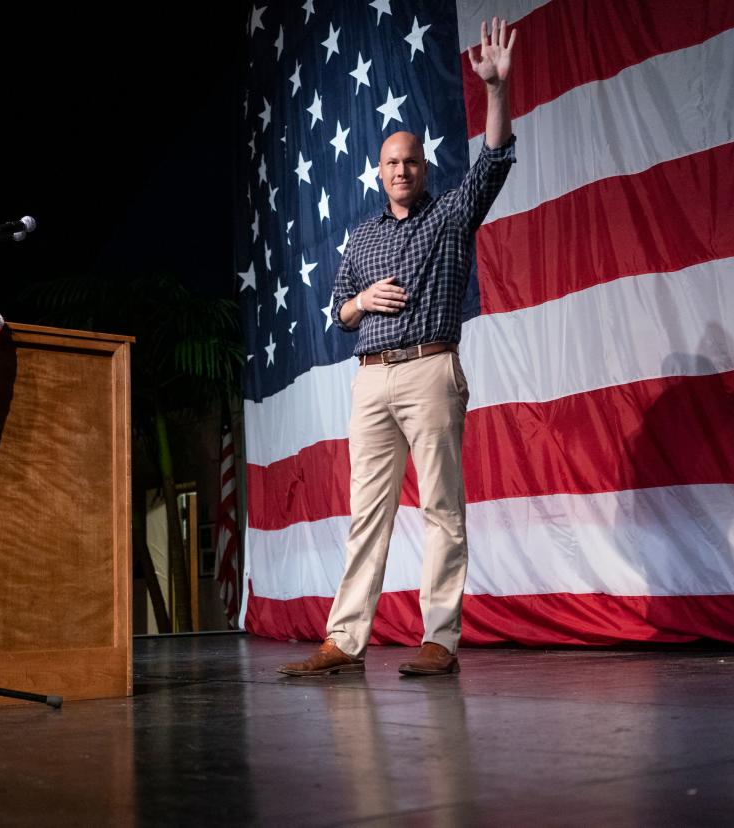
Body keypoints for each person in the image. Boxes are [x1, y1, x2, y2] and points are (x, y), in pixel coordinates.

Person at [280, 18, 518, 677]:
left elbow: (494, 161)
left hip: (431, 370)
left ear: (422, 167)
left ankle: (439, 637)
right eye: (391, 163)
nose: (401, 169)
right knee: (367, 515)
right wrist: (362, 303)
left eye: (410, 160)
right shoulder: (359, 239)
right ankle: (344, 640)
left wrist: (496, 91)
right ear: (378, 173)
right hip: (372, 379)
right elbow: (339, 312)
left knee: (442, 507)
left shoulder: (450, 215)